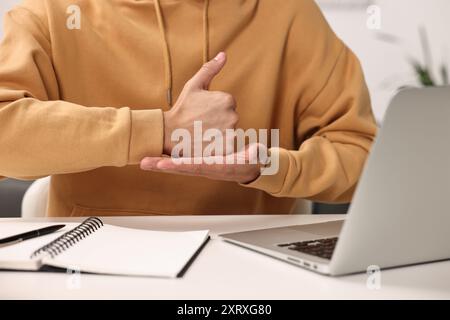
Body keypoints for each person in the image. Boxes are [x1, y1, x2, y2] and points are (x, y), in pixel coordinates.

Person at [0, 0, 377, 217]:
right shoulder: (53, 12)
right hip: (93, 268)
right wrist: (160, 130)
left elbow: (363, 158)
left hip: (249, 274)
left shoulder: (289, 13)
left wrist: (269, 166)